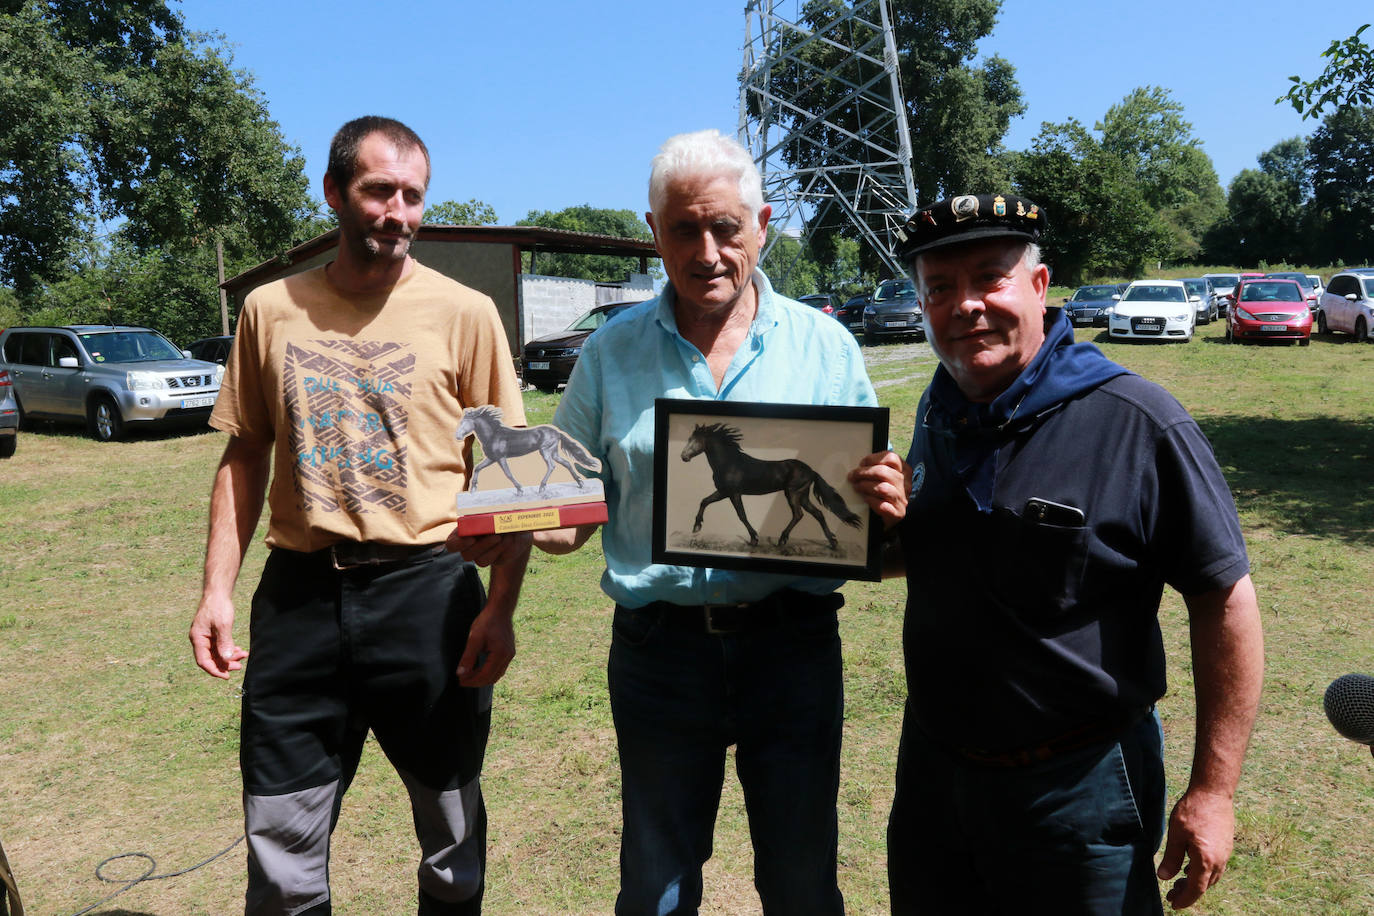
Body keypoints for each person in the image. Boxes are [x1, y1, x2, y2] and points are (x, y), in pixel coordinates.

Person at [850, 194, 1264, 914]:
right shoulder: (941, 411)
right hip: (935, 777)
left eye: (989, 278)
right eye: (940, 289)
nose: (966, 306)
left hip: (1079, 786)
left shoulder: (1136, 420)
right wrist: (863, 527)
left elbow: (1224, 598)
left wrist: (1213, 792)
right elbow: (934, 553)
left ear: (1039, 288)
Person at [188, 116, 531, 916]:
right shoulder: (269, 311)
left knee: (453, 844)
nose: (398, 212)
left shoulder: (466, 312)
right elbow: (243, 457)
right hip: (299, 601)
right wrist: (215, 592)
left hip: (428, 597)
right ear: (335, 192)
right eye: (379, 190)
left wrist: (503, 608)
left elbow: (512, 475)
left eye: (413, 196)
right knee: (280, 849)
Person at [532, 128, 878, 915]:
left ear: (760, 224)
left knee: (800, 881)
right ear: (654, 232)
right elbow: (572, 512)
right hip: (661, 658)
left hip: (792, 647)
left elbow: (866, 512)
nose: (709, 250)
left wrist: (886, 502)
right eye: (684, 229)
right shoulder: (610, 354)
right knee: (654, 884)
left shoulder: (825, 347)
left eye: (726, 227)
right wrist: (514, 522)